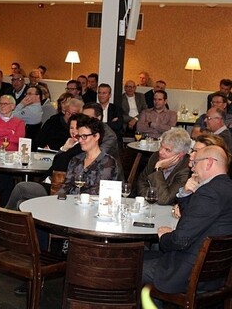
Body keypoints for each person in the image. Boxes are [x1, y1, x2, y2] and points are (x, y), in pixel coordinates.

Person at [142, 145, 232, 294]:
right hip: (215, 273)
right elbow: (194, 217)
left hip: (188, 272)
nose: (192, 168)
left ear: (209, 162)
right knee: (141, 255)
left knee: (127, 266)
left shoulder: (210, 193)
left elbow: (180, 240)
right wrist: (186, 193)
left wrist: (164, 237)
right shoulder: (224, 188)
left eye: (195, 163)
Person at [58, 115, 120, 195]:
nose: (80, 140)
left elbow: (97, 191)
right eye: (79, 136)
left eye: (84, 136)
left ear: (96, 136)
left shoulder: (107, 162)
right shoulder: (75, 160)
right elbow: (66, 186)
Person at [136, 128, 191, 204]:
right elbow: (141, 182)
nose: (161, 152)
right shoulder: (155, 157)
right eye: (161, 146)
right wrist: (151, 196)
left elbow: (164, 199)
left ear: (180, 154)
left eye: (167, 150)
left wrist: (158, 169)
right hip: (150, 205)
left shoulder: (186, 169)